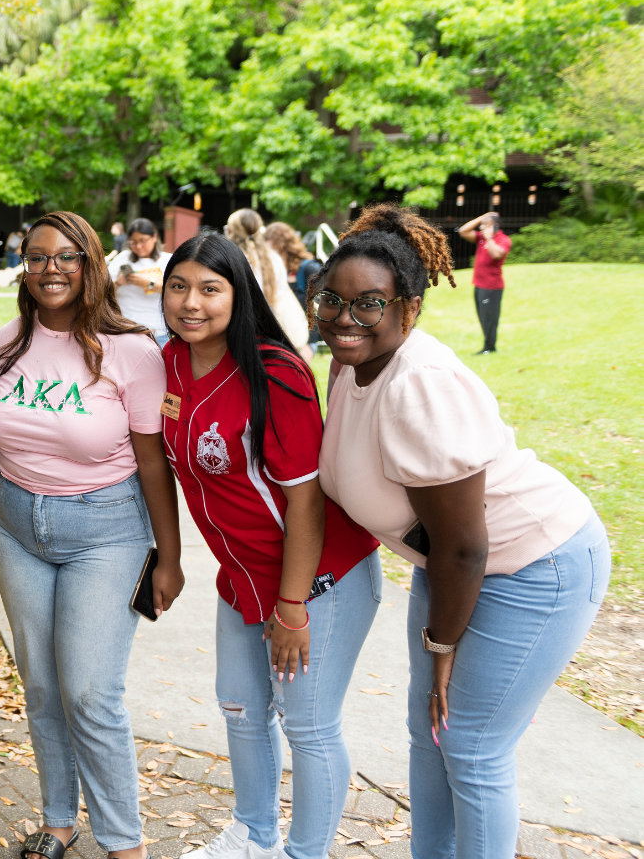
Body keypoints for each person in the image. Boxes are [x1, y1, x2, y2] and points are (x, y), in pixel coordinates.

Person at [313, 204, 609, 859]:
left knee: (472, 745)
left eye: (369, 305)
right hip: (450, 564)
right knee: (431, 730)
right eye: (331, 299)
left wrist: (442, 644)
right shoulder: (348, 361)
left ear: (408, 310)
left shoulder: (419, 384)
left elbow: (465, 544)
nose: (343, 317)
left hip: (536, 564)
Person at [159, 233, 381, 859]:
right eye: (179, 287)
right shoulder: (170, 361)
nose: (191, 303)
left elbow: (306, 503)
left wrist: (292, 609)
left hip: (317, 578)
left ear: (240, 293)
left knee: (308, 725)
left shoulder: (274, 374)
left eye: (210, 289)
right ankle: (253, 835)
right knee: (239, 708)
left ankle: (304, 852)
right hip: (242, 577)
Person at [0, 211, 184, 859]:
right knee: (40, 683)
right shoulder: (4, 343)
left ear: (91, 263)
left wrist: (169, 559)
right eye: (37, 256)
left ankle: (125, 844)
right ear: (24, 266)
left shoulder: (132, 350)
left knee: (91, 691)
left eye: (66, 256)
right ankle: (58, 820)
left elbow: (154, 461)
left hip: (107, 530)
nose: (51, 269)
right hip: (15, 524)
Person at [226, 209, 310, 359]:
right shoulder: (274, 258)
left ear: (231, 231)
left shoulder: (231, 260)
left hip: (241, 334)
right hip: (273, 333)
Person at [109, 218, 172, 345]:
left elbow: (175, 292)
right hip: (125, 331)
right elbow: (102, 290)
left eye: (143, 241)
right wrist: (118, 283)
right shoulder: (122, 258)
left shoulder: (167, 260)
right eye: (133, 242)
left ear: (154, 237)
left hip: (158, 332)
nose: (138, 246)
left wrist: (149, 284)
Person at [457, 211, 509, 355]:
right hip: (479, 285)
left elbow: (497, 254)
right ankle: (488, 345)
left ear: (495, 226)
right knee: (482, 316)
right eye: (482, 225)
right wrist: (482, 218)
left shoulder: (502, 239)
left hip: (492, 287)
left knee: (490, 318)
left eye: (486, 225)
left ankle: (490, 347)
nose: (482, 228)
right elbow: (463, 231)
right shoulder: (481, 238)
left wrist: (490, 238)